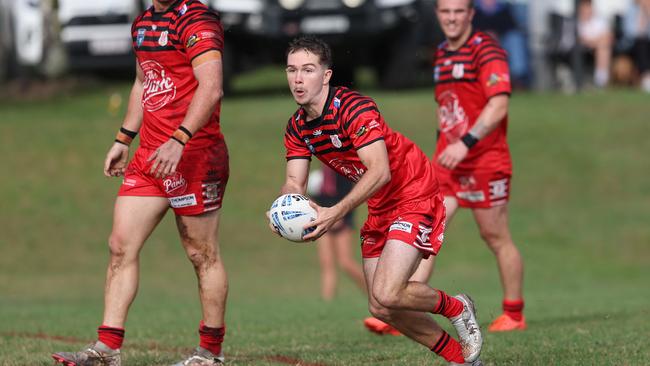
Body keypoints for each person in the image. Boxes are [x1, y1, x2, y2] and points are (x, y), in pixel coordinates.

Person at [271, 35, 483, 365]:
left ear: (326, 75)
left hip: (412, 188)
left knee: (388, 291)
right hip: (380, 203)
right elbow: (294, 181)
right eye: (291, 70)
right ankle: (461, 359)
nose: (298, 79)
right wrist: (283, 211)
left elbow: (380, 171)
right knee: (381, 306)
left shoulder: (354, 108)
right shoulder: (297, 127)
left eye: (308, 70)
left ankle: (457, 307)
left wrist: (335, 212)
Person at [52, 1, 229, 365]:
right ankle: (107, 350)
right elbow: (143, 82)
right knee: (120, 245)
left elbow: (211, 89)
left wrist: (179, 139)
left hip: (194, 155)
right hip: (150, 156)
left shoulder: (197, 20)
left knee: (201, 253)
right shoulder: (144, 22)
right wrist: (123, 139)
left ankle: (210, 354)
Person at [429, 0, 526, 333]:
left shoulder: (486, 50)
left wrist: (465, 143)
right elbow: (447, 108)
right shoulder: (441, 52)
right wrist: (444, 145)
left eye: (459, 11)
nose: (452, 18)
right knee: (426, 232)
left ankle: (513, 313)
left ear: (471, 15)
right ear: (438, 15)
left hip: (485, 160)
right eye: (446, 12)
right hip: (448, 163)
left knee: (495, 235)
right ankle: (400, 309)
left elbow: (498, 104)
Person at [310, 166, 400, 336]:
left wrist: (339, 217)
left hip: (341, 220)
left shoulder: (341, 170)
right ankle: (327, 304)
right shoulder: (320, 172)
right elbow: (317, 195)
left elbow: (349, 195)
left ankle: (374, 293)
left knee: (346, 262)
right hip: (321, 219)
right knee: (327, 264)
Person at [577, 0, 614, 88]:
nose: (587, 10)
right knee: (602, 46)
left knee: (603, 47)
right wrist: (595, 42)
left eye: (588, 8)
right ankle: (601, 80)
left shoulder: (600, 21)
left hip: (599, 47)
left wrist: (595, 42)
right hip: (584, 50)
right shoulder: (577, 23)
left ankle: (600, 80)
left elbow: (608, 37)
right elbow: (580, 39)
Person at [623, 0, 650, 92]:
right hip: (635, 45)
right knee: (641, 42)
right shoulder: (631, 9)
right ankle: (647, 78)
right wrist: (642, 12)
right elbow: (633, 33)